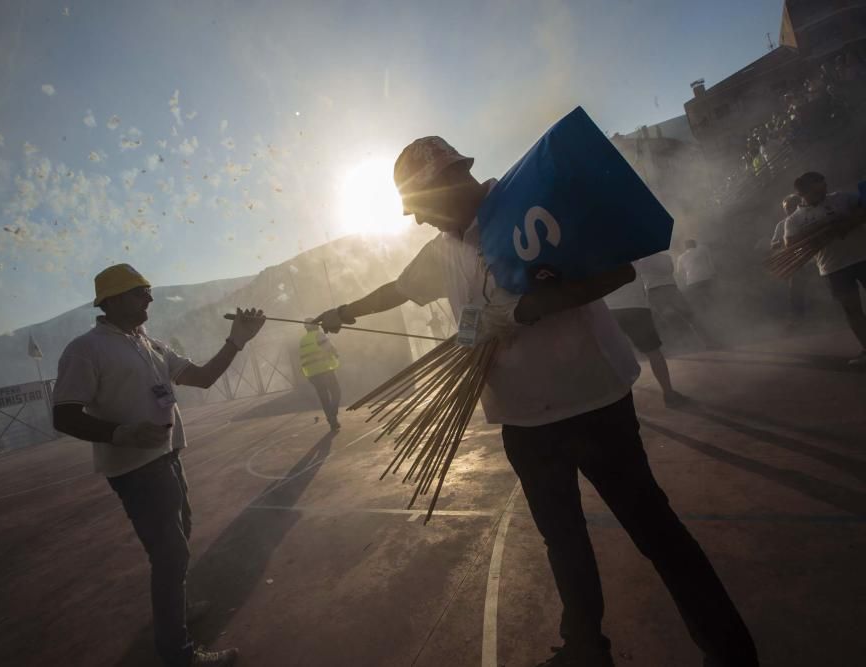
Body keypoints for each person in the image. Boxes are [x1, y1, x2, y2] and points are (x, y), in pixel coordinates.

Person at [315, 137, 758, 667]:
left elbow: (617, 272)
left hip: (592, 402)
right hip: (524, 422)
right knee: (563, 542)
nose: (417, 222)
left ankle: (731, 651)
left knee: (655, 531)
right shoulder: (444, 246)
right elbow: (400, 288)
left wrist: (526, 310)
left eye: (421, 207)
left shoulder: (528, 201)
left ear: (452, 180)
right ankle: (585, 649)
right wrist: (348, 309)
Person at [52, 263, 265, 667]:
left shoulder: (151, 344)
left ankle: (177, 612)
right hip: (137, 469)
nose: (149, 297)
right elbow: (63, 415)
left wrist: (236, 341)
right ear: (111, 300)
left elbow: (201, 378)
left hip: (167, 458)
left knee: (178, 540)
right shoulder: (87, 348)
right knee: (171, 555)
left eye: (148, 290)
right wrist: (121, 433)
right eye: (139, 291)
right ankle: (178, 654)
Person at [783, 172, 866, 365]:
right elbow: (791, 244)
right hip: (833, 268)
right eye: (817, 188)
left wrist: (848, 222)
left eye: (824, 185)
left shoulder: (842, 198)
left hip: (863, 257)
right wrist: (823, 226)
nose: (824, 189)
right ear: (804, 193)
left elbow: (863, 210)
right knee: (852, 310)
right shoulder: (794, 220)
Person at [603, 266, 688, 407]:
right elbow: (660, 266)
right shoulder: (633, 248)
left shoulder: (593, 253)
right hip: (635, 306)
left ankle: (617, 402)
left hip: (609, 309)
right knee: (653, 351)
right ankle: (669, 394)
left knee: (612, 356)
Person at [637, 251, 717, 348]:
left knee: (679, 318)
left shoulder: (646, 261)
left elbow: (667, 270)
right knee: (682, 317)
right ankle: (700, 343)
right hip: (667, 289)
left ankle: (700, 343)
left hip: (657, 291)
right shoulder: (664, 257)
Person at [770, 194, 808, 328]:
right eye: (786, 208)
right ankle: (798, 319)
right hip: (794, 262)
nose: (788, 210)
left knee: (822, 287)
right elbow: (773, 244)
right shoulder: (781, 225)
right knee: (795, 291)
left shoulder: (806, 217)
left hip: (814, 260)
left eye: (792, 206)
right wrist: (784, 241)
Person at [299, 319, 342, 430]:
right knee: (336, 392)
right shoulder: (318, 335)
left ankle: (332, 422)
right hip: (325, 369)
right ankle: (333, 414)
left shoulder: (303, 340)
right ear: (315, 325)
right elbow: (329, 348)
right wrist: (336, 354)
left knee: (324, 397)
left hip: (312, 373)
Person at [676, 239, 717, 314]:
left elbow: (680, 273)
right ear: (695, 244)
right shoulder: (703, 249)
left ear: (685, 248)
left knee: (698, 302)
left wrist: (686, 280)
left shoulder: (681, 257)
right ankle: (714, 313)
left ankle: (704, 316)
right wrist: (713, 273)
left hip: (692, 282)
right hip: (706, 278)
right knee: (710, 298)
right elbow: (710, 261)